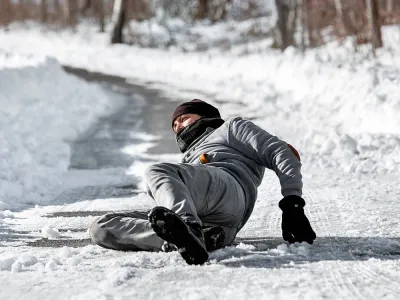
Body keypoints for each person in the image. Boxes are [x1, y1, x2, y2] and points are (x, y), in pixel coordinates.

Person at [89, 99, 316, 265]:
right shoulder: (188, 158)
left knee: (157, 171)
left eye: (183, 118)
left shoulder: (230, 129)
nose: (178, 126)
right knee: (101, 227)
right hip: (220, 223)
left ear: (205, 116)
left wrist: (292, 203)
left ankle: (188, 227)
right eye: (174, 125)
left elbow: (281, 152)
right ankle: (189, 239)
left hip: (229, 187)